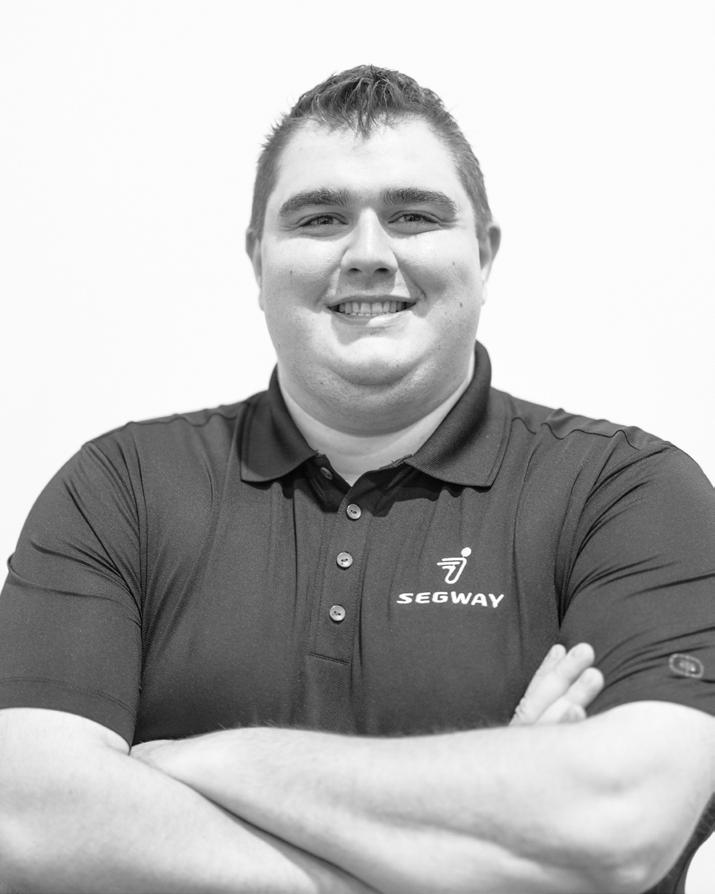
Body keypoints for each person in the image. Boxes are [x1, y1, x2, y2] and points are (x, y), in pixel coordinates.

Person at [0, 65, 713, 894]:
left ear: (483, 252)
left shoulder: (627, 493)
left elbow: (616, 823)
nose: (369, 255)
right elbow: (27, 819)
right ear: (257, 257)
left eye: (413, 216)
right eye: (320, 218)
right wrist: (494, 823)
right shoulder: (120, 489)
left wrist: (207, 763)